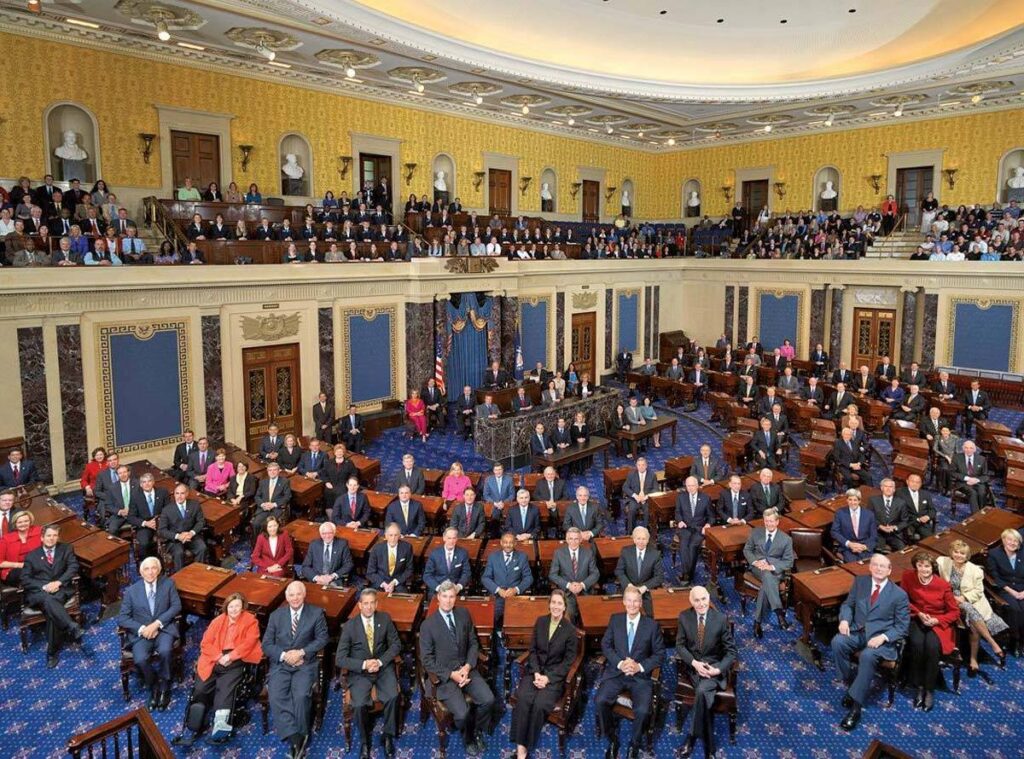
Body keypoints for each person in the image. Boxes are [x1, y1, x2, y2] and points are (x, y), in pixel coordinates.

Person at [830, 553, 909, 731]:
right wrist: (844, 620)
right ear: (870, 567)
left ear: (889, 571)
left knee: (867, 656)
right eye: (875, 565)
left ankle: (856, 708)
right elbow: (848, 605)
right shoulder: (861, 582)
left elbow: (902, 627)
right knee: (838, 642)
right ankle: (852, 684)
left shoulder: (899, 595)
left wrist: (883, 637)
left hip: (881, 640)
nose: (878, 569)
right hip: (858, 632)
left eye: (883, 566)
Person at [419, 581, 496, 756]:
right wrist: (451, 675)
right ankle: (468, 738)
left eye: (451, 596)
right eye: (444, 596)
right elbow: (427, 660)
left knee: (489, 700)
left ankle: (476, 730)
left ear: (456, 598)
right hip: (445, 677)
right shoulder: (428, 625)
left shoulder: (464, 614)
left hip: (466, 669)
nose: (448, 601)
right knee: (462, 714)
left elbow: (473, 643)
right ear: (438, 598)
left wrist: (468, 666)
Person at [177, 593, 263, 747]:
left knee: (225, 688)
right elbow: (205, 643)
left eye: (237, 606)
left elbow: (249, 643)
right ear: (226, 607)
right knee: (201, 688)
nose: (234, 609)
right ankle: (196, 722)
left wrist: (230, 656)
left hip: (237, 659)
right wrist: (218, 656)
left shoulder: (251, 621)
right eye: (231, 606)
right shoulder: (217, 621)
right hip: (214, 658)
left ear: (242, 607)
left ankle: (220, 725)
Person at [594, 587, 665, 759]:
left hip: (640, 677)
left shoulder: (652, 626)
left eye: (636, 601)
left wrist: (639, 666)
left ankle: (634, 744)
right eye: (629, 600)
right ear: (624, 602)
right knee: (600, 701)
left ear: (640, 603)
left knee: (642, 710)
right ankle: (612, 739)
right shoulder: (615, 619)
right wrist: (620, 663)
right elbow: (606, 645)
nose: (632, 604)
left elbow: (660, 654)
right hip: (617, 673)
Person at [262, 581, 329, 759]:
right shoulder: (276, 615)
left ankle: (300, 736)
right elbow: (266, 644)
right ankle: (294, 735)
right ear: (286, 597)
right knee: (276, 695)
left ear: (304, 595)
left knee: (300, 696)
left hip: (304, 664)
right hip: (281, 664)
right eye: (291, 595)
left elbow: (323, 638)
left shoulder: (316, 613)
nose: (295, 598)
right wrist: (285, 655)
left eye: (298, 594)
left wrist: (301, 652)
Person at [509, 589, 579, 758]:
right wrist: (536, 673)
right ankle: (521, 750)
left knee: (540, 705)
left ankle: (527, 745)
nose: (556, 606)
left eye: (559, 603)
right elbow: (532, 650)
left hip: (554, 678)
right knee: (523, 699)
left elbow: (568, 662)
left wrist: (548, 678)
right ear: (549, 604)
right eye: (553, 602)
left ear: (564, 607)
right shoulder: (540, 621)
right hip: (535, 672)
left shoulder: (570, 630)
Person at [336, 588, 403, 759]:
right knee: (358, 704)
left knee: (393, 696)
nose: (369, 607)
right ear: (359, 605)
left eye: (372, 603)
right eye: (365, 603)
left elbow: (396, 645)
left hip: (382, 668)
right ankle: (365, 741)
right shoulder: (350, 626)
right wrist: (364, 665)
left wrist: (380, 662)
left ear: (376, 604)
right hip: (360, 672)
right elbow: (340, 659)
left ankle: (388, 735)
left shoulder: (385, 619)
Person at [676, 586, 736, 759]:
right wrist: (694, 663)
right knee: (703, 697)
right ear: (691, 601)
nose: (701, 603)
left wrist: (718, 669)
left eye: (704, 599)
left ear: (709, 598)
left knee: (702, 691)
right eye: (697, 600)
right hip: (694, 669)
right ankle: (709, 748)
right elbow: (680, 645)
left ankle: (691, 737)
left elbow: (731, 652)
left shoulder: (720, 619)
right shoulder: (684, 617)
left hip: (713, 670)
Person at [117, 557, 182, 710]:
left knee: (165, 651)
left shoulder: (168, 584)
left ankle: (165, 686)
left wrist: (156, 624)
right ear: (141, 572)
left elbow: (176, 606)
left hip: (163, 629)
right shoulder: (132, 591)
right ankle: (153, 686)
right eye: (146, 569)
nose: (150, 572)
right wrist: (142, 629)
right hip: (142, 634)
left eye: (154, 568)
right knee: (140, 659)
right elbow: (123, 618)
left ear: (159, 570)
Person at [937, 539, 1008, 674]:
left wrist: (964, 597)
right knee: (969, 612)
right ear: (951, 552)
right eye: (956, 552)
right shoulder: (943, 562)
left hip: (971, 601)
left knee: (972, 622)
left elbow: (978, 591)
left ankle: (973, 659)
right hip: (950, 601)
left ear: (967, 556)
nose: (958, 555)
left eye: (962, 553)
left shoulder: (975, 570)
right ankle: (991, 643)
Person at [901, 552, 959, 711]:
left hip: (938, 622)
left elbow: (954, 612)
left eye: (927, 566)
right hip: (917, 618)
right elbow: (903, 600)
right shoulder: (908, 577)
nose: (923, 569)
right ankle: (919, 686)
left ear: (932, 567)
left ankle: (929, 689)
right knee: (917, 644)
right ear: (916, 566)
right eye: (920, 565)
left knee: (932, 647)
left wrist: (937, 620)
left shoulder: (943, 585)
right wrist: (918, 613)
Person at [22, 524, 85, 668]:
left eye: (55, 535)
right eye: (49, 535)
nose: (51, 538)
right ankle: (70, 625)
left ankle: (52, 653)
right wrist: (45, 586)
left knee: (51, 613)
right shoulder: (32, 555)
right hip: (39, 593)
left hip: (60, 590)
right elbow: (25, 579)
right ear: (42, 538)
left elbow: (73, 567)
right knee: (49, 600)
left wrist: (59, 582)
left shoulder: (66, 549)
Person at [743, 507, 794, 638]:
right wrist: (755, 562)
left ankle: (757, 622)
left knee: (765, 584)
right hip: (758, 568)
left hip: (775, 571)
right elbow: (747, 550)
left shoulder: (786, 539)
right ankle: (779, 612)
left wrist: (772, 567)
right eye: (766, 521)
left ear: (777, 522)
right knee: (765, 575)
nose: (769, 524)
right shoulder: (756, 532)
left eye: (771, 521)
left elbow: (789, 561)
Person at [481, 531, 534, 627]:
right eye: (505, 542)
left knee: (520, 621)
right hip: (497, 596)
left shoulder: (522, 557)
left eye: (510, 542)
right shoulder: (493, 557)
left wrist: (516, 589)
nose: (508, 545)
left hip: (515, 597)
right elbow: (485, 578)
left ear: (515, 543)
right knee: (490, 619)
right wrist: (498, 590)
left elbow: (528, 578)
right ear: (501, 543)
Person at [548, 527, 599, 623]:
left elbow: (595, 573)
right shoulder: (559, 553)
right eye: (570, 539)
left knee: (590, 617)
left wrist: (582, 585)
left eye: (576, 539)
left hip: (585, 592)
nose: (573, 542)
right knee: (569, 616)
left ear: (580, 540)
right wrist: (568, 585)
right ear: (566, 540)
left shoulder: (588, 553)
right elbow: (552, 575)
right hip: (566, 593)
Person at [986, 529, 1024, 657]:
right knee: (1015, 609)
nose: (1012, 543)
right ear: (1003, 540)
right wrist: (1012, 592)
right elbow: (995, 577)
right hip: (1005, 588)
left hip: (1022, 588)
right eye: (1009, 540)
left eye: (1016, 541)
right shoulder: (994, 554)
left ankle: (1022, 641)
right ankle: (1015, 640)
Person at [614, 526, 664, 617]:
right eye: (638, 538)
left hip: (646, 592)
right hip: (628, 589)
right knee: (621, 615)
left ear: (648, 540)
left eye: (644, 539)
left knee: (649, 616)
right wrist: (629, 585)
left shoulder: (655, 554)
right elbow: (619, 571)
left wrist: (644, 587)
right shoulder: (626, 552)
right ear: (634, 539)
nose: (641, 542)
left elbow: (659, 576)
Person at [673, 476, 711, 583]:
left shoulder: (706, 498)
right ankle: (687, 574)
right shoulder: (681, 497)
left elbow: (711, 516)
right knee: (684, 546)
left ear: (697, 486)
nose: (690, 488)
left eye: (692, 485)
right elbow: (677, 512)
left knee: (692, 546)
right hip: (685, 527)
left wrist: (707, 525)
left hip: (699, 528)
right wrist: (680, 520)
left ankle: (688, 574)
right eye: (688, 486)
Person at [160, 483, 208, 568]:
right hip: (175, 540)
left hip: (191, 536)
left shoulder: (195, 505)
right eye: (177, 493)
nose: (179, 496)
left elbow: (201, 521)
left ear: (187, 494)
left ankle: (198, 571)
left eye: (182, 493)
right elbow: (162, 530)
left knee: (202, 548)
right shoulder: (166, 510)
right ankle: (180, 575)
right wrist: (178, 536)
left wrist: (191, 533)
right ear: (174, 494)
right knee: (179, 553)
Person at [298, 521, 353, 586]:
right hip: (317, 580)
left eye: (330, 533)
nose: (327, 536)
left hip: (334, 580)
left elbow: (348, 564)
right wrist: (317, 578)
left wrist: (333, 576)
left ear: (334, 532)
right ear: (320, 534)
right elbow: (305, 566)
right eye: (324, 533)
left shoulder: (342, 544)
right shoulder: (314, 544)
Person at [128, 473, 167, 560]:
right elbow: (130, 517)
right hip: (144, 526)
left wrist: (158, 521)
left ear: (153, 482)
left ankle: (163, 562)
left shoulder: (162, 492)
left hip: (161, 524)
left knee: (170, 538)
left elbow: (168, 510)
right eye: (144, 482)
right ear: (141, 485)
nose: (147, 484)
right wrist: (146, 523)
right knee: (144, 543)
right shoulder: (135, 496)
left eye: (149, 481)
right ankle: (147, 563)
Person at [366, 523, 414, 594]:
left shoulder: (407, 548)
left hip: (398, 584)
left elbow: (409, 570)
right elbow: (370, 572)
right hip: (379, 584)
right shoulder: (376, 549)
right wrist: (383, 584)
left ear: (399, 535)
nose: (393, 538)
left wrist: (395, 582)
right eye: (390, 535)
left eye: (396, 535)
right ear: (386, 536)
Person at [831, 489, 878, 562]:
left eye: (855, 500)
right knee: (853, 564)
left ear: (859, 501)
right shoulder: (840, 513)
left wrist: (864, 546)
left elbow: (874, 535)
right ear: (847, 500)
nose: (852, 503)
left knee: (869, 565)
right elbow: (834, 532)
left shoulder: (869, 514)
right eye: (850, 500)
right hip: (848, 548)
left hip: (864, 547)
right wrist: (849, 544)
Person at [423, 527, 471, 597]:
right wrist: (438, 588)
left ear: (457, 539)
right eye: (449, 538)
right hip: (438, 590)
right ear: (444, 538)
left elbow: (466, 573)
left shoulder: (462, 553)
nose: (451, 541)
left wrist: (459, 586)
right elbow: (427, 575)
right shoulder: (434, 554)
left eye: (454, 538)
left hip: (456, 590)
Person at [0, 510, 42, 583]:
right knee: (24, 572)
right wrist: (21, 565)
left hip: (37, 567)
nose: (23, 524)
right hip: (14, 570)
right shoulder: (6, 539)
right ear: (15, 524)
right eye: (20, 522)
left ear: (30, 522)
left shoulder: (39, 531)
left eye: (26, 521)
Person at [868, 478, 908, 552]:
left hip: (894, 534)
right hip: (878, 532)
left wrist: (895, 527)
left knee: (902, 550)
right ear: (881, 488)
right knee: (878, 550)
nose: (888, 489)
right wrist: (880, 526)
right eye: (886, 486)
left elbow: (905, 521)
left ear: (894, 489)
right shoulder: (873, 500)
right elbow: (869, 518)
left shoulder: (901, 502)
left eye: (891, 487)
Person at [951, 439, 990, 512]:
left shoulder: (982, 459)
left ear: (974, 449)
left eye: (971, 448)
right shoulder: (956, 458)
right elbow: (952, 472)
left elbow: (986, 476)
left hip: (977, 482)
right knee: (973, 493)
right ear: (963, 449)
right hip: (963, 483)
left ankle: (982, 513)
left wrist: (977, 480)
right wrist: (967, 478)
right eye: (966, 448)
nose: (968, 450)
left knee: (982, 492)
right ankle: (975, 515)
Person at [897, 473, 936, 542]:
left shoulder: (925, 494)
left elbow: (932, 510)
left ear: (921, 484)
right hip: (908, 523)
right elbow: (898, 511)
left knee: (931, 540)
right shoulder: (899, 493)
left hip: (923, 524)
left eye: (918, 482)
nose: (915, 484)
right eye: (912, 481)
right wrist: (916, 519)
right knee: (908, 541)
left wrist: (927, 517)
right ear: (907, 481)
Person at [254, 463, 291, 534]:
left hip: (276, 509)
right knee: (255, 524)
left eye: (274, 470)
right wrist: (263, 504)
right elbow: (257, 496)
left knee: (267, 525)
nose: (272, 472)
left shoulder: (285, 482)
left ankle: (268, 540)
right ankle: (257, 540)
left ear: (278, 471)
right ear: (267, 471)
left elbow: (287, 496)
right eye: (270, 470)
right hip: (264, 509)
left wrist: (274, 504)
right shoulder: (263, 482)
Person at [622, 456, 657, 531]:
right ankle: (631, 532)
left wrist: (646, 497)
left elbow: (656, 489)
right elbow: (625, 487)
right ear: (636, 466)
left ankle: (645, 531)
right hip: (635, 499)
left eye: (643, 465)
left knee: (648, 511)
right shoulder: (631, 474)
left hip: (646, 499)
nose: (641, 467)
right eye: (639, 465)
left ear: (646, 466)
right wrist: (635, 496)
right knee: (631, 510)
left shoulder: (652, 475)